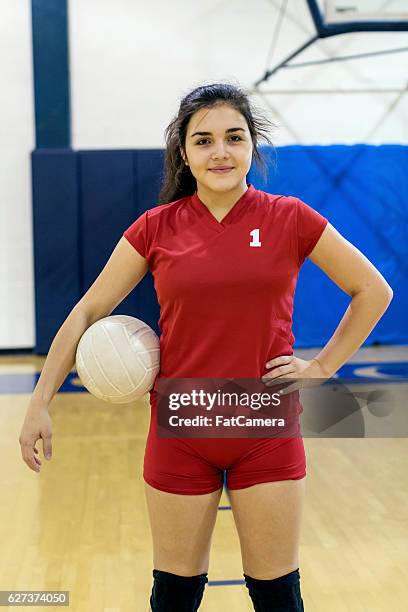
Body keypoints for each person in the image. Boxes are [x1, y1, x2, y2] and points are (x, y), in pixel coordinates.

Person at [19, 82, 393, 612]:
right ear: (185, 154)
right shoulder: (156, 228)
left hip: (264, 425)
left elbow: (373, 290)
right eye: (204, 140)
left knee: (278, 596)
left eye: (233, 137)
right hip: (182, 428)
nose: (220, 151)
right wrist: (40, 401)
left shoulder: (289, 218)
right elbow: (87, 310)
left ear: (251, 148)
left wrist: (324, 365)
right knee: (173, 596)